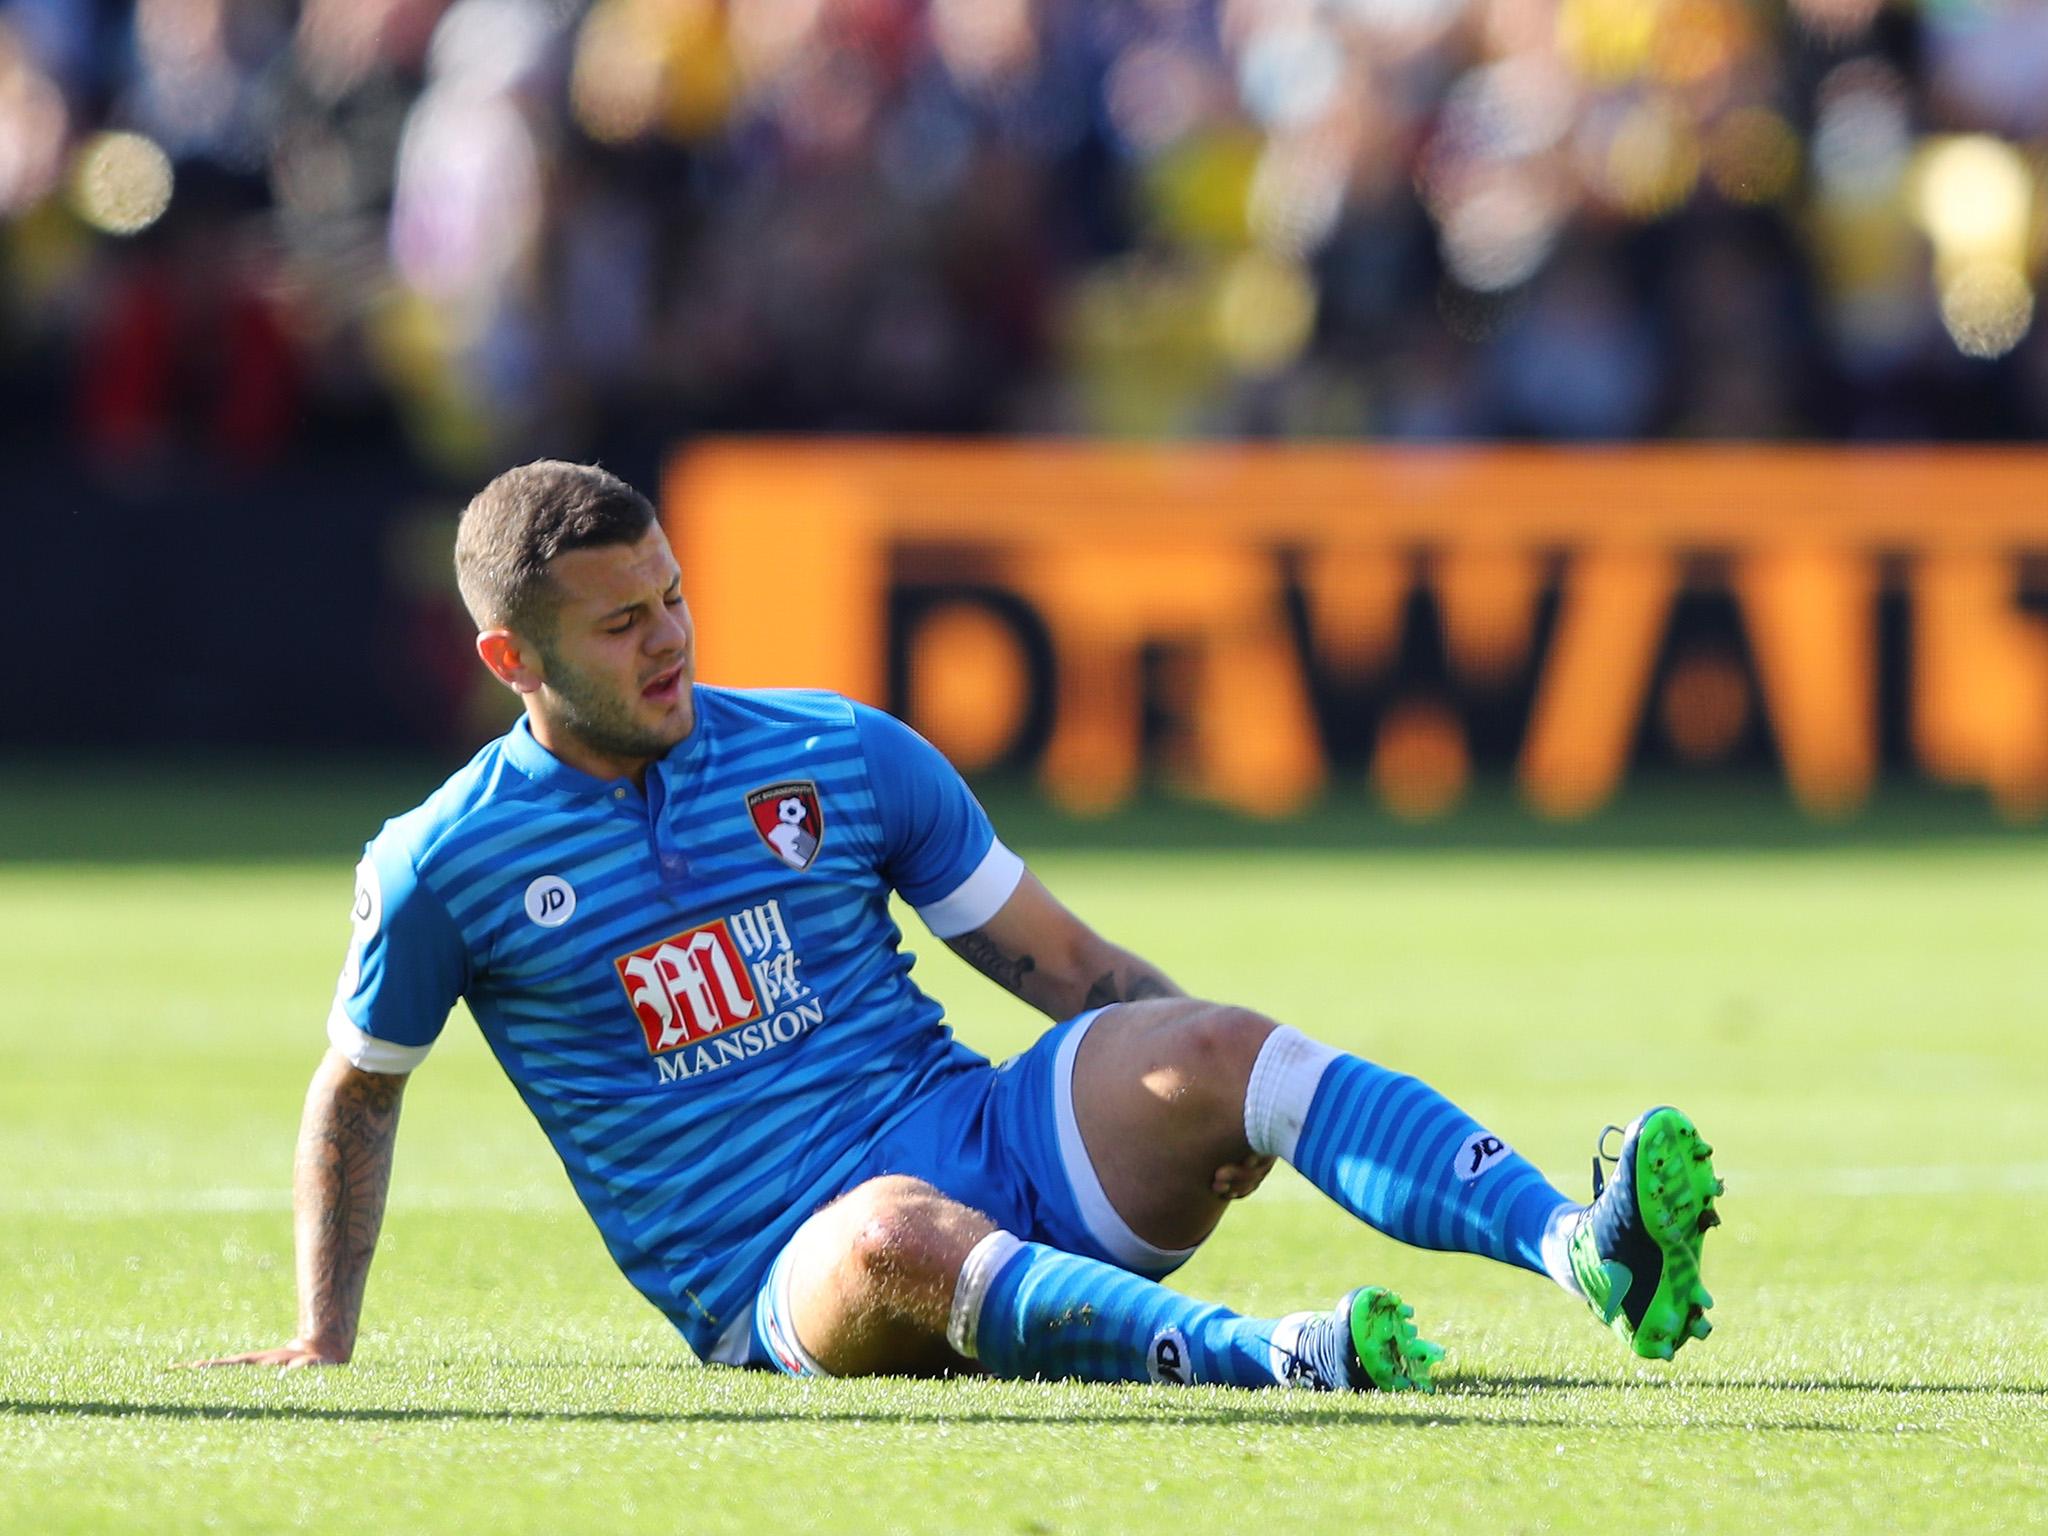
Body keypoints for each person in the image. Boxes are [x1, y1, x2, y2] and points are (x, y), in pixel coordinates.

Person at [192, 460, 1721, 1390]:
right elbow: (361, 1087)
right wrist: (325, 1334)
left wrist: (1204, 1097)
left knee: (1217, 1041)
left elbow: (1069, 968)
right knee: (889, 1237)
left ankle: (1582, 1250)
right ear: (511, 658)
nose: (668, 636)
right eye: (621, 620)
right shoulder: (443, 861)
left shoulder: (832, 750)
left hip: (987, 1132)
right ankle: (1283, 1359)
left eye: (671, 594)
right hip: (785, 1273)